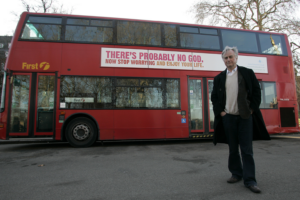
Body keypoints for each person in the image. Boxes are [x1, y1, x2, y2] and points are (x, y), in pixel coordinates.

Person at [211, 46, 271, 193]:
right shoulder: (219, 78)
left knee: (247, 150)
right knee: (233, 149)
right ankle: (236, 174)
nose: (228, 60)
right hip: (228, 118)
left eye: (231, 57)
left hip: (245, 117)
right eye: (226, 58)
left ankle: (250, 180)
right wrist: (222, 113)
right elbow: (214, 98)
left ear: (236, 58)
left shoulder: (247, 73)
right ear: (223, 60)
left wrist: (252, 110)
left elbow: (257, 92)